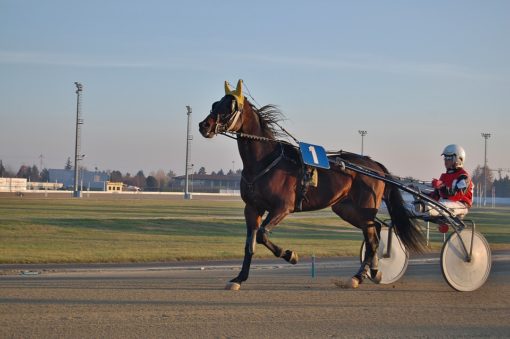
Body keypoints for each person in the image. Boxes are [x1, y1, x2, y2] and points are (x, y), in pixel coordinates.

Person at [414, 144, 473, 219]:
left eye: (449, 157)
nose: (445, 160)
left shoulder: (464, 177)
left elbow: (456, 195)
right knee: (440, 204)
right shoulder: (444, 176)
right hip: (445, 204)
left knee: (442, 205)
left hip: (461, 205)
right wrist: (418, 192)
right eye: (445, 157)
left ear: (458, 159)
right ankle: (420, 208)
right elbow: (435, 197)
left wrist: (441, 186)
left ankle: (424, 208)